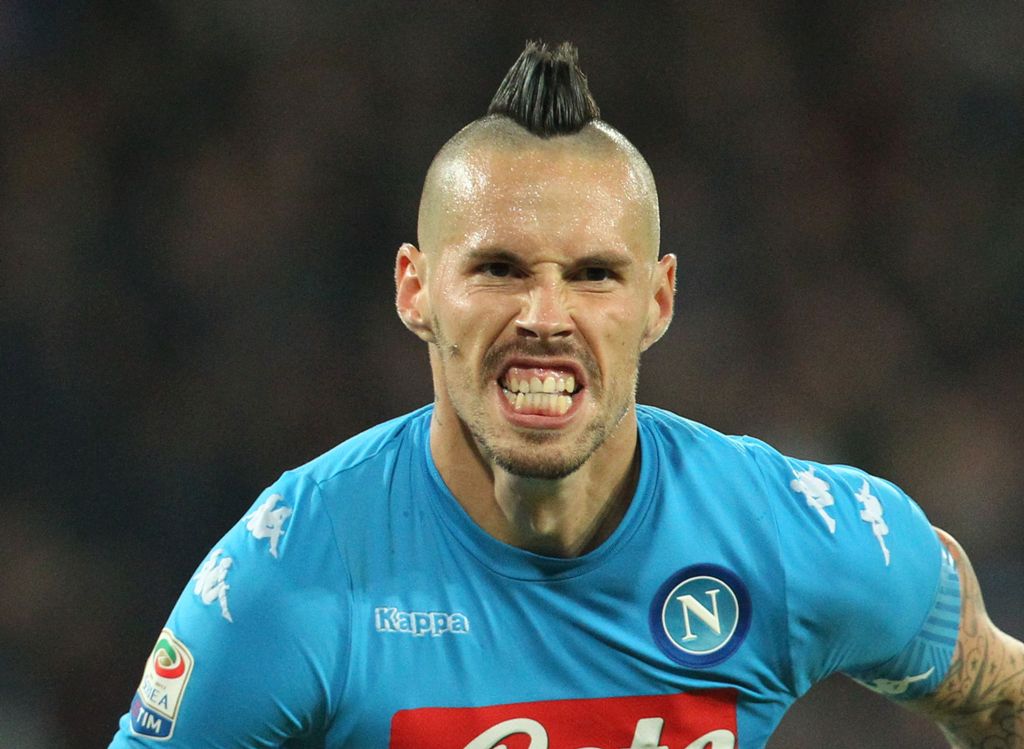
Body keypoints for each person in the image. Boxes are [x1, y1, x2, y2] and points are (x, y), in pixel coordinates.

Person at [110, 41, 1023, 748]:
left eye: (593, 275)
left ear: (658, 300)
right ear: (415, 288)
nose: (547, 315)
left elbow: (996, 694)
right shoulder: (295, 573)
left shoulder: (794, 543)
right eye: (500, 268)